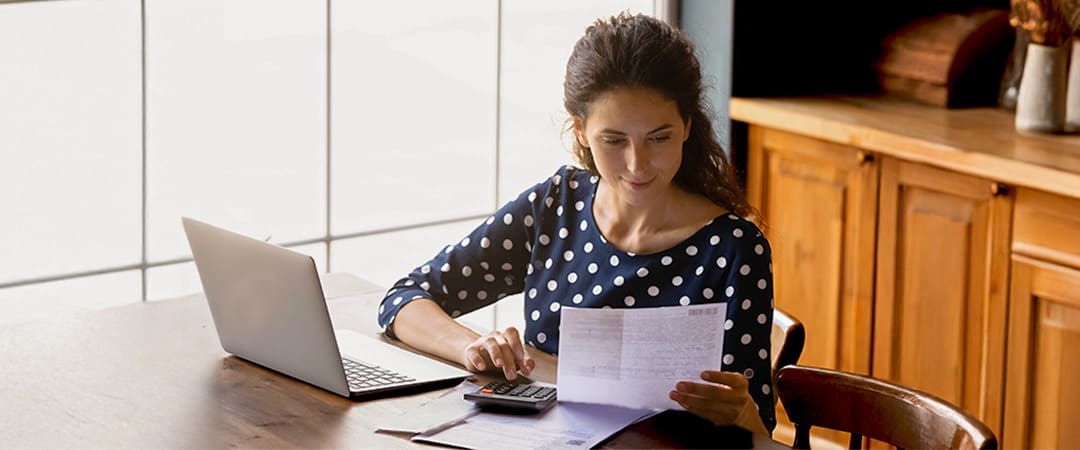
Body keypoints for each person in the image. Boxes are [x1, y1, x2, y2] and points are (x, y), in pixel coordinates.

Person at [376, 11, 775, 434]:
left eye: (658, 138)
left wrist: (739, 412)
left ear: (687, 126)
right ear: (581, 130)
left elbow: (760, 429)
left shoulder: (734, 249)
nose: (637, 165)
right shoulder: (555, 205)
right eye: (614, 140)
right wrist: (472, 347)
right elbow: (404, 300)